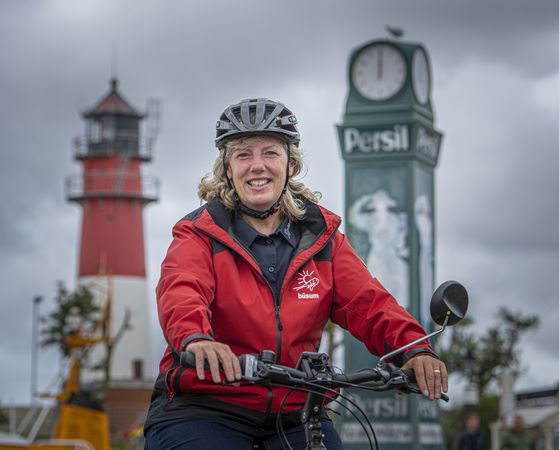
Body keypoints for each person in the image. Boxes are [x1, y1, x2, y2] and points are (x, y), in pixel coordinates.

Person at [143, 98, 448, 449]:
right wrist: (196, 339)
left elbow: (370, 303)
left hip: (296, 411)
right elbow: (182, 291)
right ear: (227, 169)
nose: (257, 166)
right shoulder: (199, 233)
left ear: (290, 164)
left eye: (270, 153)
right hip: (205, 407)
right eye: (243, 155)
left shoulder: (322, 239)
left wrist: (415, 348)